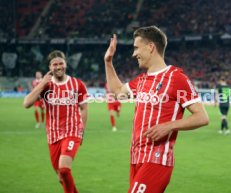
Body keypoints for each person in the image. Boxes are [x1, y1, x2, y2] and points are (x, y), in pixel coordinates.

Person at [104, 26, 209, 193]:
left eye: (136, 47)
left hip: (157, 158)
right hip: (136, 157)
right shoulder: (141, 80)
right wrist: (108, 62)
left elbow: (202, 117)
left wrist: (169, 126)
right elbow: (117, 92)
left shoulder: (176, 77)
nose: (133, 54)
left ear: (151, 47)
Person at [23, 50, 89, 193]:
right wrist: (41, 84)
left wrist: (81, 131)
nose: (58, 67)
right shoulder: (46, 86)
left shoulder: (77, 84)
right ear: (50, 67)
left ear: (66, 64)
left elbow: (84, 109)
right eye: (55, 64)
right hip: (53, 135)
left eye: (61, 63)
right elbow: (26, 103)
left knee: (64, 170)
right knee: (61, 177)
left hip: (72, 132)